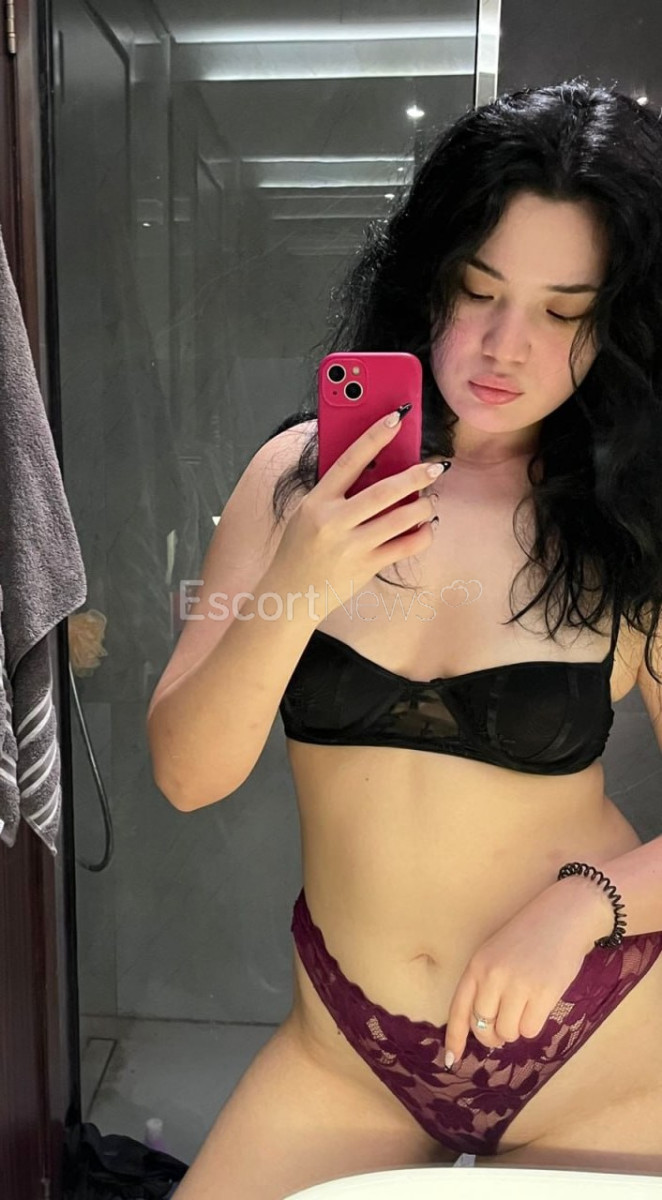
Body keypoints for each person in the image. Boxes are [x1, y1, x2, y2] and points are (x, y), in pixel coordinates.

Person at [147, 79, 662, 1199]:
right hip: (347, 1054)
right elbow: (187, 776)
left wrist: (584, 905)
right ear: (425, 276)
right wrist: (297, 584)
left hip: (603, 1044)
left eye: (562, 311)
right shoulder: (295, 481)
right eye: (477, 290)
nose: (503, 346)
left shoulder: (637, 525)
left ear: (618, 321)